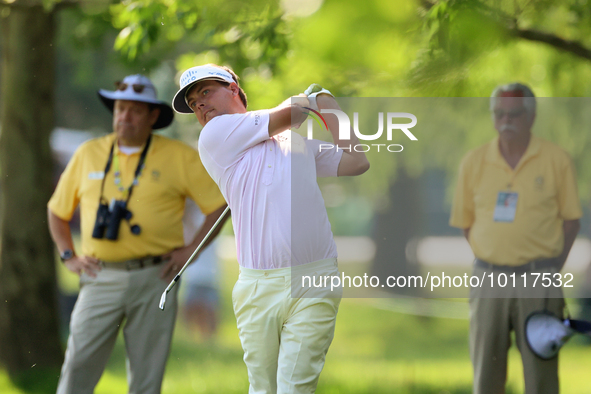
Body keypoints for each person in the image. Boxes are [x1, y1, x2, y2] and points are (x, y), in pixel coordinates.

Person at [171, 64, 370, 393]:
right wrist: (312, 98)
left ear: (233, 89)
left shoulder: (297, 143)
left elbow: (356, 161)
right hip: (257, 286)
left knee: (295, 387)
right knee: (263, 388)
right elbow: (292, 113)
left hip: (314, 279)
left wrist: (330, 106)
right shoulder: (214, 136)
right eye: (193, 103)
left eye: (205, 92)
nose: (199, 105)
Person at [48, 74, 227, 394]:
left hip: (156, 277)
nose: (124, 117)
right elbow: (57, 211)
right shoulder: (89, 152)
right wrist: (68, 255)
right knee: (77, 366)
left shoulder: (179, 156)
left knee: (147, 376)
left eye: (134, 110)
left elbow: (218, 206)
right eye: (119, 109)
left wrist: (190, 252)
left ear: (153, 116)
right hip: (99, 275)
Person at [450, 83, 582, 394]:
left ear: (532, 116)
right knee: (486, 375)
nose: (505, 120)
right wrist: (497, 257)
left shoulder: (556, 159)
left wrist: (547, 268)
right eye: (499, 114)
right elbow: (466, 224)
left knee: (542, 378)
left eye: (514, 114)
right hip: (487, 280)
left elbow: (572, 223)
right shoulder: (474, 161)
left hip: (540, 279)